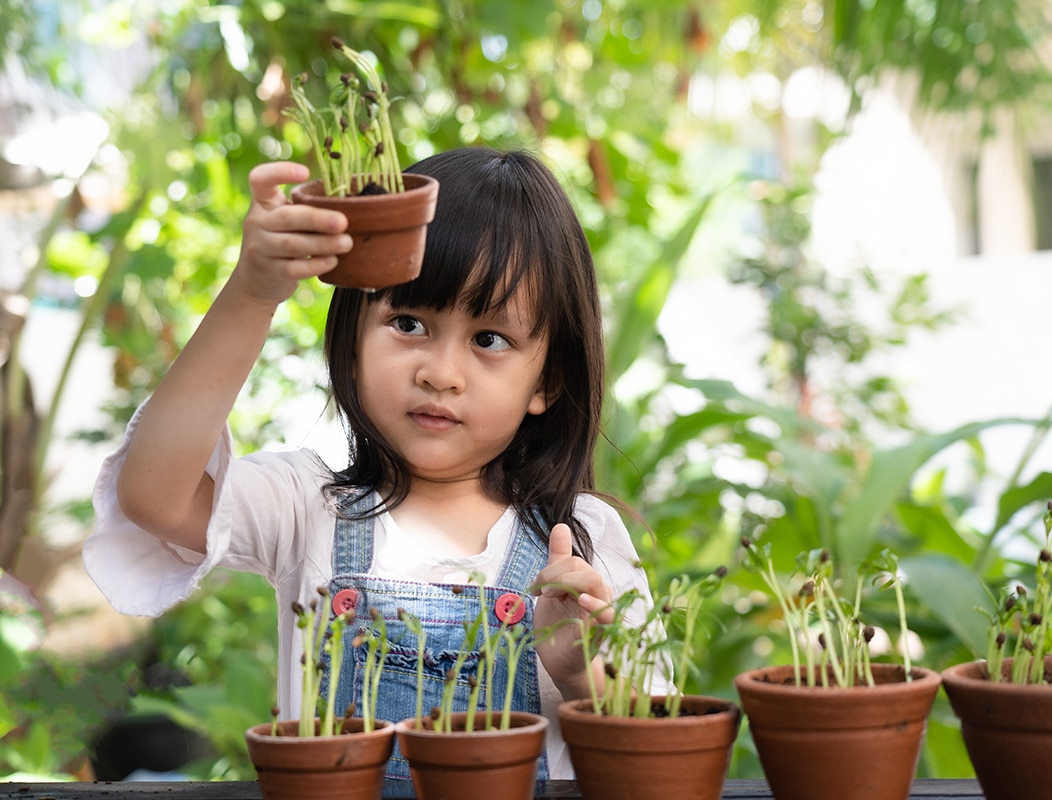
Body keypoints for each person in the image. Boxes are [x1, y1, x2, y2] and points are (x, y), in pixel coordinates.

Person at [83, 146, 664, 781]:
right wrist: (253, 293)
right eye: (408, 322)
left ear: (546, 381)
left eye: (489, 339)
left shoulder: (582, 544)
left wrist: (584, 674)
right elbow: (153, 495)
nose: (439, 373)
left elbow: (659, 762)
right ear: (352, 339)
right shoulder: (305, 509)